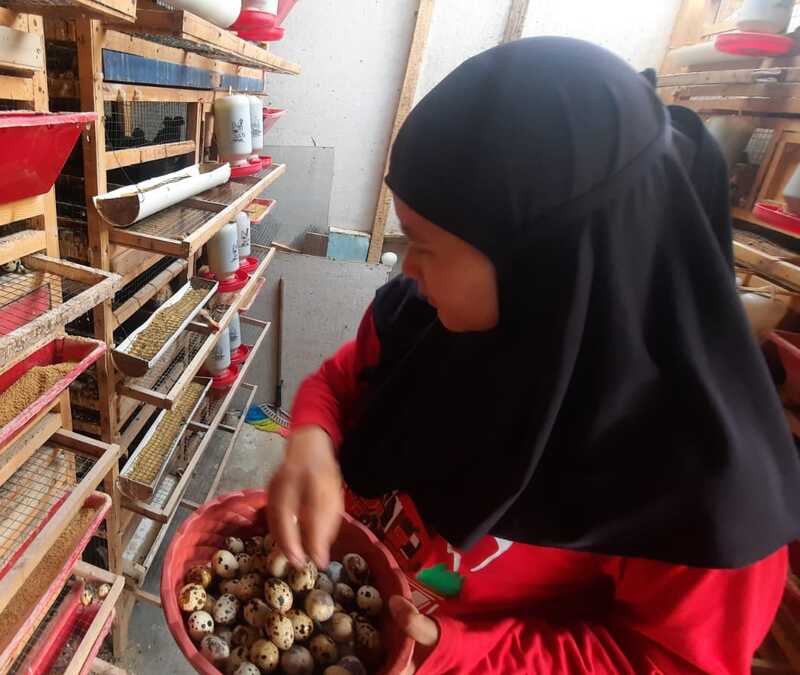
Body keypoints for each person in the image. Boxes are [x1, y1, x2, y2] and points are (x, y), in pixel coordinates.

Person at [267, 37, 800, 674]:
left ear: (544, 263)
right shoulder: (424, 322)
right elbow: (342, 378)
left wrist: (459, 654)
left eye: (425, 243)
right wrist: (311, 438)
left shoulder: (699, 492)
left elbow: (662, 661)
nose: (405, 267)